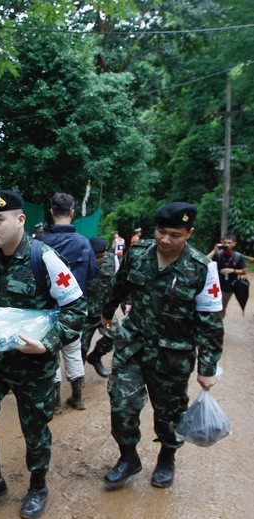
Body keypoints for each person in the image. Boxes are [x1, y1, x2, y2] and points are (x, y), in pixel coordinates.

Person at [0, 190, 86, 519]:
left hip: (34, 363)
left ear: (20, 220)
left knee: (34, 431)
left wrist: (48, 343)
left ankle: (37, 486)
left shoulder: (43, 257)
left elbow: (77, 309)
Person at [100, 202, 223, 491]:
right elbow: (119, 285)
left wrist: (207, 368)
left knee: (169, 413)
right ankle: (128, 458)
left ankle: (167, 458)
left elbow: (211, 324)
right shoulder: (138, 253)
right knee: (122, 404)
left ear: (189, 233)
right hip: (133, 344)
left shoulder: (202, 269)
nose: (166, 240)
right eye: (161, 232)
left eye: (175, 235)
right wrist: (107, 312)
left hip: (173, 355)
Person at [38, 192, 98, 411]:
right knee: (73, 351)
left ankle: (53, 402)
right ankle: (77, 397)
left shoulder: (39, 241)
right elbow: (92, 273)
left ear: (51, 212)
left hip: (46, 310)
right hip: (73, 309)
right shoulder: (83, 243)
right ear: (73, 213)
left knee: (51, 352)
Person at [80, 236, 118, 379]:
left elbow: (119, 282)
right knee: (81, 347)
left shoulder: (112, 260)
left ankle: (95, 357)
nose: (98, 260)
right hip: (86, 313)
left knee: (114, 336)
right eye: (95, 257)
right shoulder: (80, 261)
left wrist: (124, 301)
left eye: (101, 256)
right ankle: (78, 375)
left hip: (105, 311)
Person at [207, 233, 247, 318]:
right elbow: (204, 262)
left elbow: (244, 271)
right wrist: (214, 250)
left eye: (229, 243)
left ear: (234, 243)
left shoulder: (238, 256)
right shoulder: (218, 254)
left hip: (229, 286)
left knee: (221, 306)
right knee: (211, 305)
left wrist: (232, 270)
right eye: (224, 243)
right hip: (215, 285)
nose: (227, 245)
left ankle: (218, 323)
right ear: (221, 242)